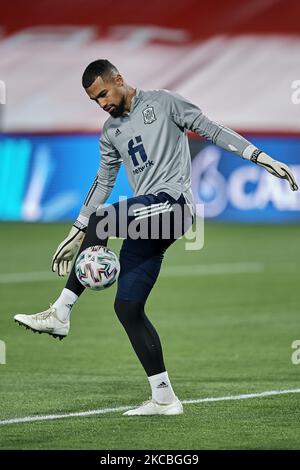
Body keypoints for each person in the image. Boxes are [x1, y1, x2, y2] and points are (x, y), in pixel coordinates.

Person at [14, 59, 298, 416]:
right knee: (127, 307)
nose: (102, 103)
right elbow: (102, 183)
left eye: (103, 93)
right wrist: (75, 230)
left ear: (119, 79)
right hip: (147, 217)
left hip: (173, 206)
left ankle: (61, 311)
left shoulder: (164, 103)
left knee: (102, 222)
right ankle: (164, 397)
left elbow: (212, 130)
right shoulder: (110, 131)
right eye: (94, 100)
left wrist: (261, 157)